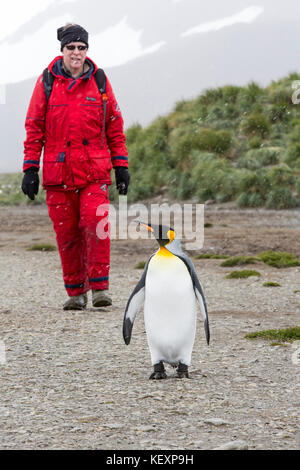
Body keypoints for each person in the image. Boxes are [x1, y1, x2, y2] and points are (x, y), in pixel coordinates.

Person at [21, 23, 130, 310]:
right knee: (67, 233)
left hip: (94, 172)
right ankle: (76, 293)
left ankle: (100, 289)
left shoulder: (101, 82)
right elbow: (34, 127)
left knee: (95, 224)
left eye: (82, 48)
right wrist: (30, 169)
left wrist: (121, 166)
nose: (77, 53)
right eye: (71, 48)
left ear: (86, 51)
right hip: (58, 174)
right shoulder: (46, 82)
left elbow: (114, 127)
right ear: (62, 51)